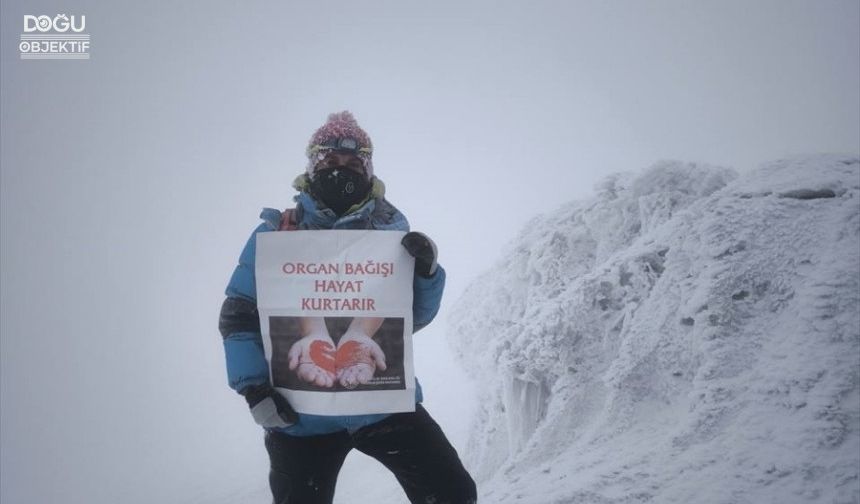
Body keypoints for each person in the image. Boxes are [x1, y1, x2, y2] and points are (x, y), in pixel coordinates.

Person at [218, 111, 477, 504]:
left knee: (453, 494)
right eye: (330, 163)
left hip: (384, 405)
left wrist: (426, 274)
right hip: (300, 416)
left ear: (369, 170)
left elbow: (412, 319)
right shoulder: (275, 234)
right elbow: (237, 315)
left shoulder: (390, 231)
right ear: (312, 168)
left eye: (354, 164)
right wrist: (253, 389)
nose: (342, 171)